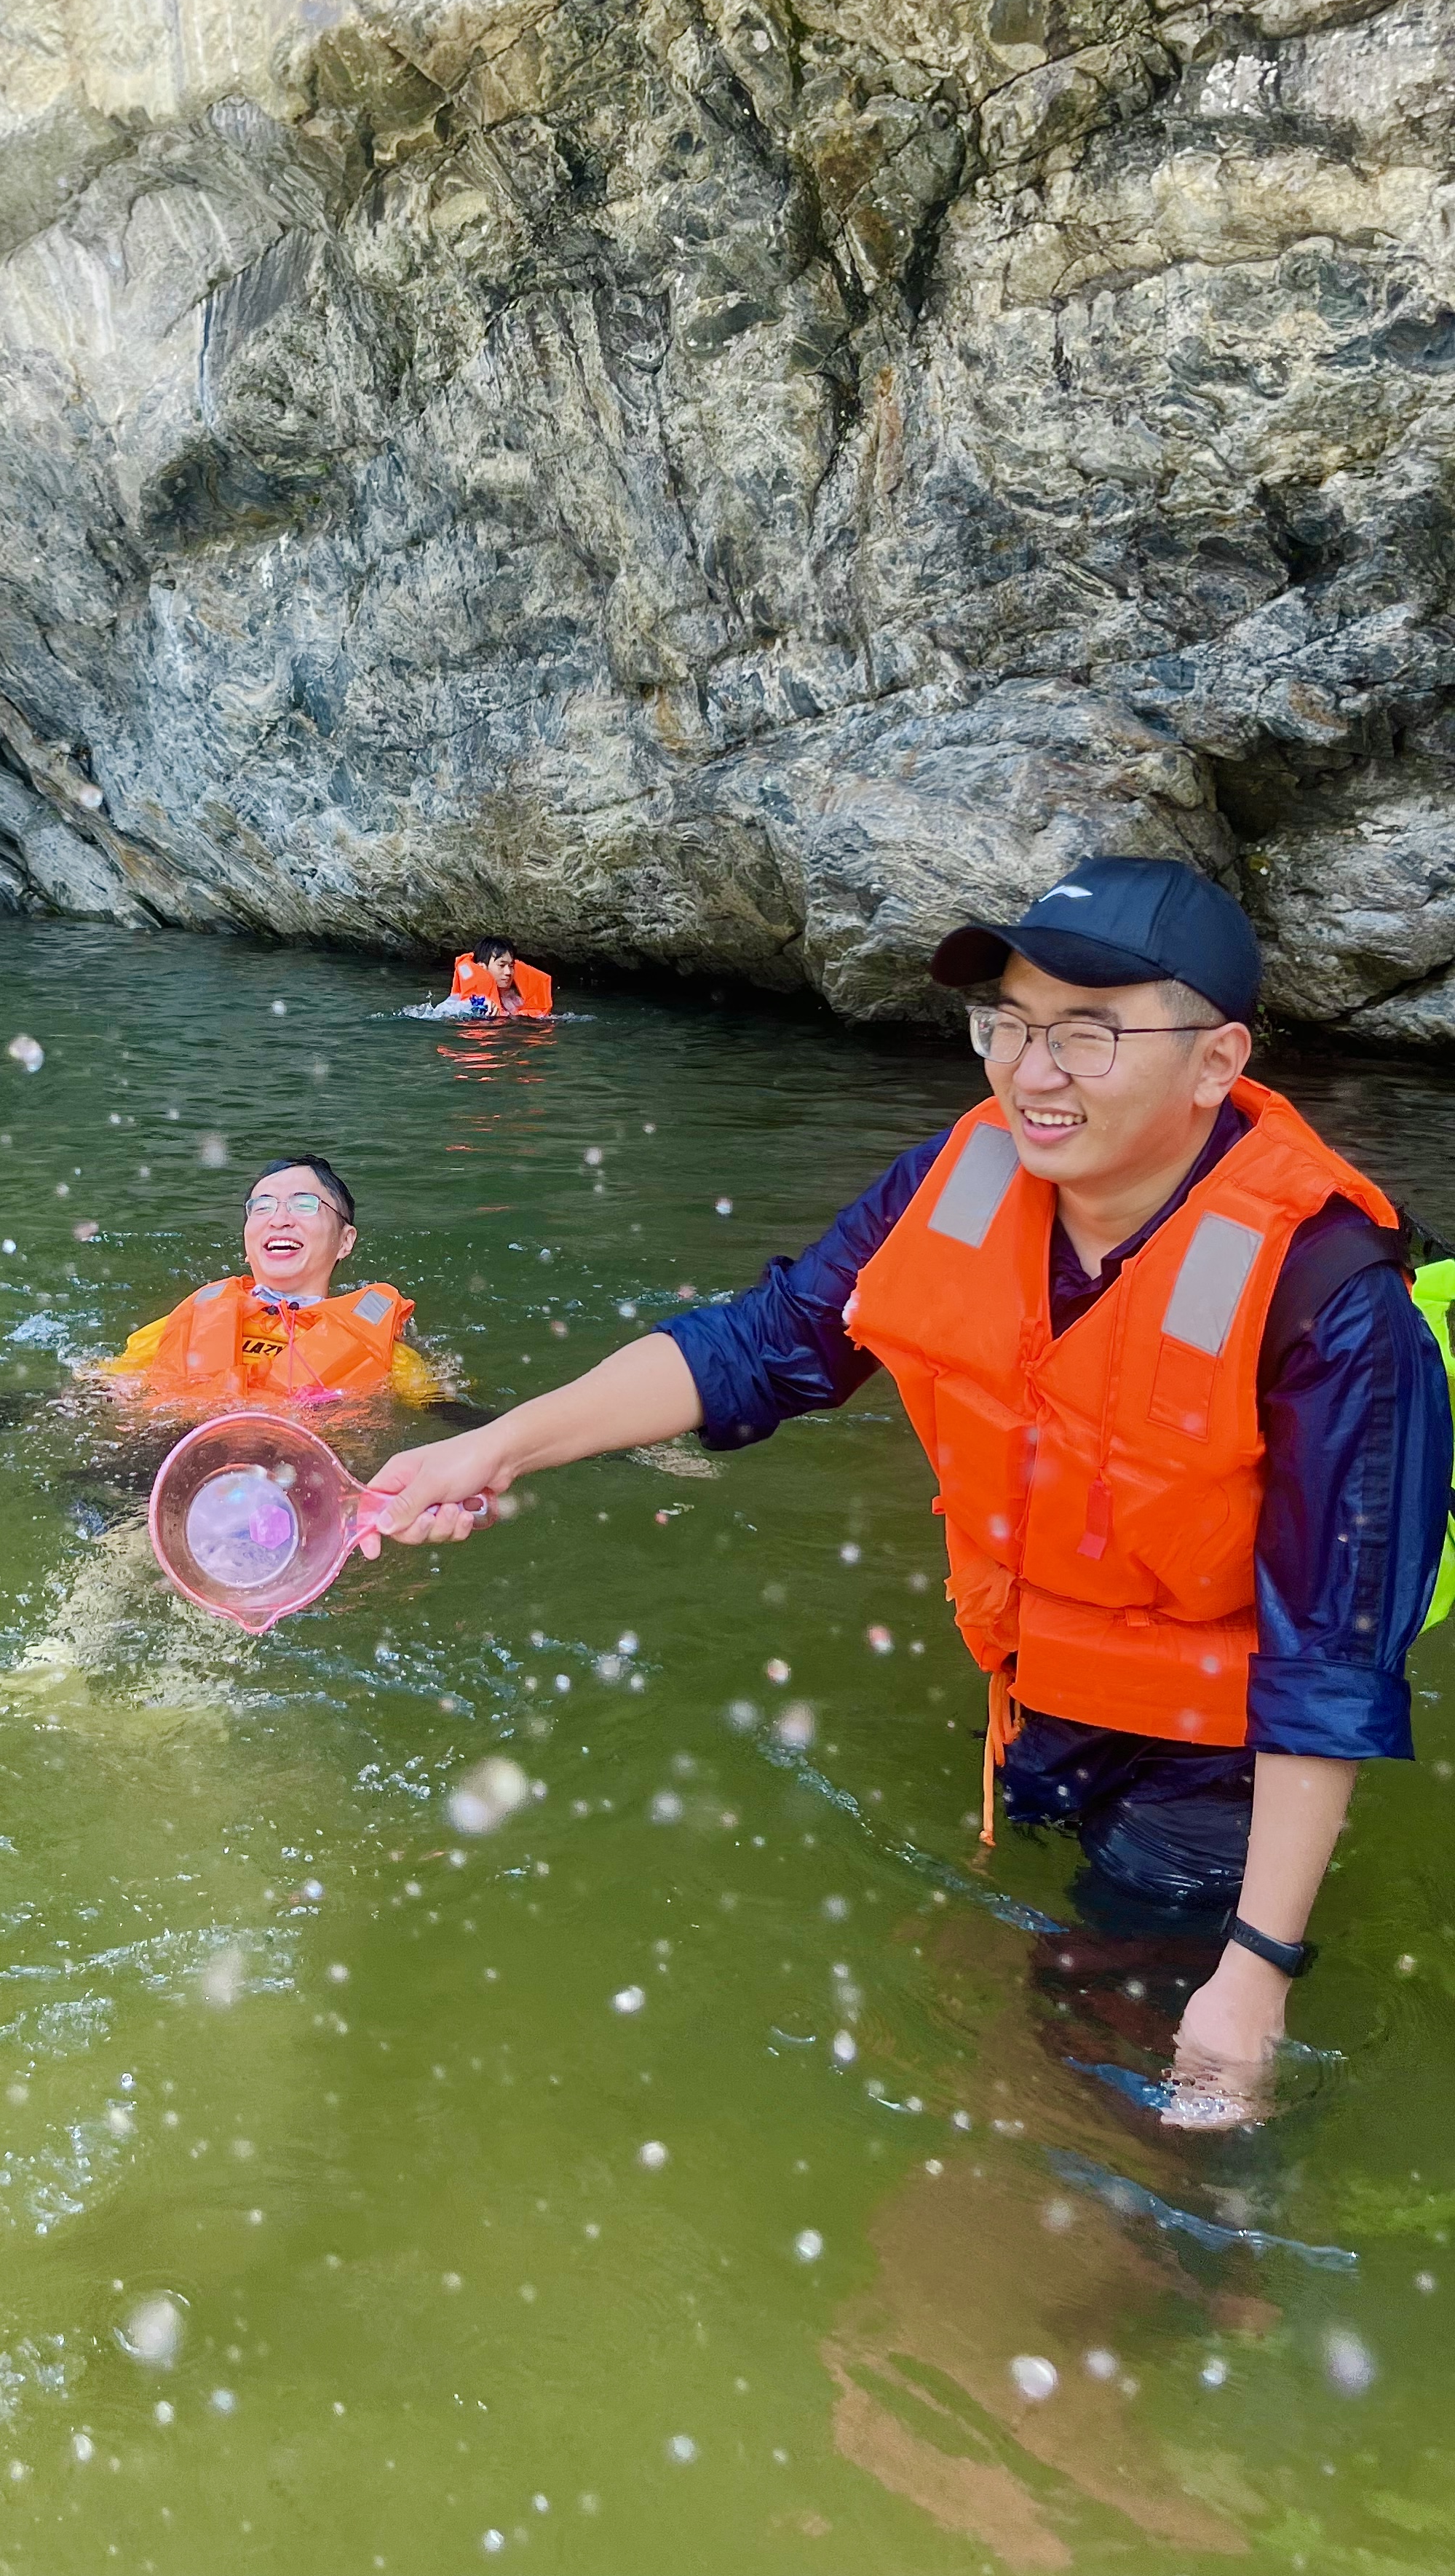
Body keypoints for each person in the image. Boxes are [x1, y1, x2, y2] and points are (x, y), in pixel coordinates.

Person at [368, 857, 1451, 2118]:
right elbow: (758, 1345)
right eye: (1008, 1022)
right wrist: (493, 1445)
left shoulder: (1330, 1297)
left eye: (1088, 1033)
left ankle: (1195, 2253)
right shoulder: (960, 1176)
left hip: (1208, 1770)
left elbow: (1331, 1656)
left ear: (1214, 1063)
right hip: (1028, 1701)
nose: (1030, 1073)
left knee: (1130, 2096)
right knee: (1013, 1999)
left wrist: (1255, 1970)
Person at [104, 1155, 441, 1406]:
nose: (280, 1219)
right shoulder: (188, 1320)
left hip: (302, 1474)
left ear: (345, 1241)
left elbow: (453, 1419)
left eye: (304, 1204)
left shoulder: (378, 1351)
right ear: (247, 1243)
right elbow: (101, 1386)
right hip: (175, 1459)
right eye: (262, 1207)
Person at [448, 938, 553, 1017]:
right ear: (482, 968)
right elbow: (445, 1012)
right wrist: (478, 1003)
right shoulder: (460, 1004)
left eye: (511, 966)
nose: (508, 972)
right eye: (501, 966)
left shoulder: (515, 1000)